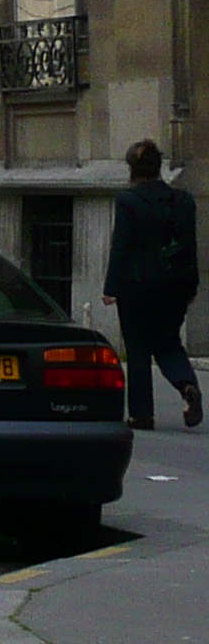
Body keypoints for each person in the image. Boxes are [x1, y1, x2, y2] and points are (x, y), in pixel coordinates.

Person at [104, 141, 204, 431]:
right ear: (158, 166)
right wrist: (192, 282)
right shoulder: (183, 200)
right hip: (177, 283)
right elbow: (190, 244)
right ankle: (187, 385)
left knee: (137, 348)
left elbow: (121, 246)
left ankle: (141, 414)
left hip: (137, 285)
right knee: (168, 340)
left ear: (132, 170)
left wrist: (111, 286)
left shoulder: (128, 201)